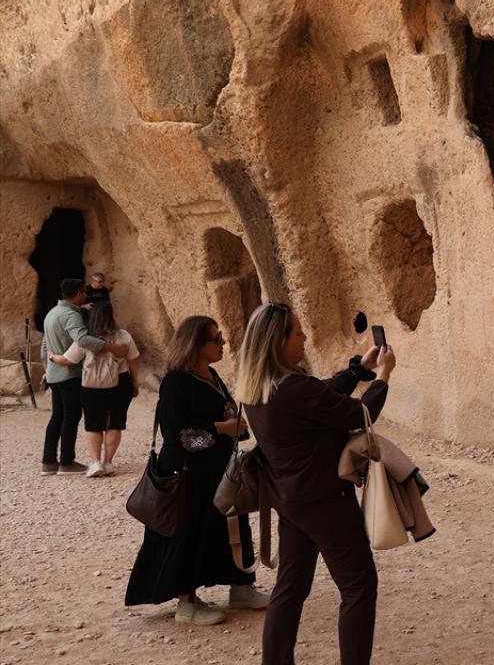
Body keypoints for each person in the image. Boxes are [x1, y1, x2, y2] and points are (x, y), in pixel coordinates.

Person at [236, 302, 395, 665]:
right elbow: (360, 414)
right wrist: (384, 376)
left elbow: (321, 394)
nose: (304, 337)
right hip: (324, 500)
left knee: (290, 588)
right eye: (297, 331)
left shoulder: (258, 386)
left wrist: (359, 369)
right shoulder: (293, 389)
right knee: (358, 587)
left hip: (290, 499)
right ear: (278, 341)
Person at [124, 315, 271, 625]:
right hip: (187, 474)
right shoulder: (177, 381)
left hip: (218, 470)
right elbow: (177, 434)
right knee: (189, 534)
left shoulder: (212, 375)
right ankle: (186, 603)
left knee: (233, 525)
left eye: (221, 338)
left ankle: (241, 587)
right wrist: (221, 428)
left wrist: (236, 426)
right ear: (195, 344)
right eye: (215, 340)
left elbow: (226, 412)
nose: (223, 344)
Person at [40, 278, 130, 475]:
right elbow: (82, 339)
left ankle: (48, 462)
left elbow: (45, 345)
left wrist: (47, 368)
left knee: (57, 417)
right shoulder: (71, 316)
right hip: (69, 373)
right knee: (71, 417)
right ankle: (66, 462)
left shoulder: (52, 314)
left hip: (55, 373)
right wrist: (112, 347)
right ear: (79, 293)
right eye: (84, 292)